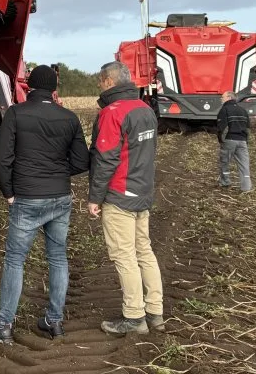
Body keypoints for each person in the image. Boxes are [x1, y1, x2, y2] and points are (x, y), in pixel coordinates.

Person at [0, 65, 89, 345]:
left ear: (31, 86)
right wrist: (58, 175)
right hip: (60, 197)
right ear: (53, 88)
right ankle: (54, 321)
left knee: (15, 260)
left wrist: (9, 192)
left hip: (26, 197)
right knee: (58, 257)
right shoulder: (69, 118)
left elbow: (1, 159)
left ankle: (3, 326)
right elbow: (82, 162)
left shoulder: (16, 113)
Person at [88, 62, 164, 335]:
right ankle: (155, 311)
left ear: (109, 81)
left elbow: (106, 159)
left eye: (100, 81)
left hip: (119, 194)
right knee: (144, 250)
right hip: (142, 191)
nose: (99, 86)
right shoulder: (145, 109)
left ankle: (134, 317)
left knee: (124, 256)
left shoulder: (112, 112)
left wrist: (94, 197)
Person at [216, 92, 252, 192]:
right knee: (244, 164)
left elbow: (222, 127)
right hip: (242, 141)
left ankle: (225, 183)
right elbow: (248, 128)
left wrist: (221, 140)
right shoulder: (243, 110)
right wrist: (245, 141)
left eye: (222, 97)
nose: (221, 99)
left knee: (225, 162)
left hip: (229, 140)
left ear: (228, 97)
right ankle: (246, 188)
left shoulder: (225, 109)